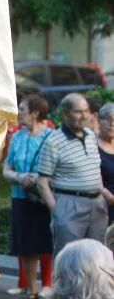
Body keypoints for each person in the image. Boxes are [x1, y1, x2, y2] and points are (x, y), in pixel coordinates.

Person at [36, 93, 107, 254]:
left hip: (97, 205)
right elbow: (42, 182)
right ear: (65, 113)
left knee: (97, 258)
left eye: (86, 111)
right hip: (69, 205)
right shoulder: (53, 141)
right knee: (68, 258)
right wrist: (57, 212)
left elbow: (94, 169)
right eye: (78, 112)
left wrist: (103, 193)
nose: (84, 116)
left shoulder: (91, 136)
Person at [3, 95, 55, 299]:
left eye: (22, 109)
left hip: (44, 197)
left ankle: (50, 287)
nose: (19, 113)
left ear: (35, 113)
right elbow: (6, 169)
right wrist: (19, 177)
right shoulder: (17, 137)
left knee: (48, 243)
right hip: (21, 197)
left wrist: (40, 179)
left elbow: (60, 167)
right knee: (25, 245)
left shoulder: (52, 137)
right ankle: (32, 289)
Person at [97, 102, 114, 223]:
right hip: (103, 206)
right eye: (108, 119)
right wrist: (102, 190)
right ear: (99, 121)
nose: (112, 124)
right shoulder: (91, 145)